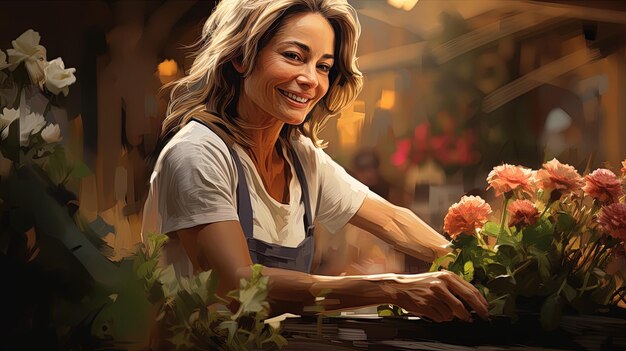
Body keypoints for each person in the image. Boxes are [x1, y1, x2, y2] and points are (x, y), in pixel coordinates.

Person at [141, 0, 489, 322]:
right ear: (241, 57)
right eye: (293, 56)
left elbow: (394, 222)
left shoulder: (300, 157)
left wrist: (490, 264)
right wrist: (394, 288)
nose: (311, 80)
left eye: (323, 66)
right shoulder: (198, 153)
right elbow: (237, 286)